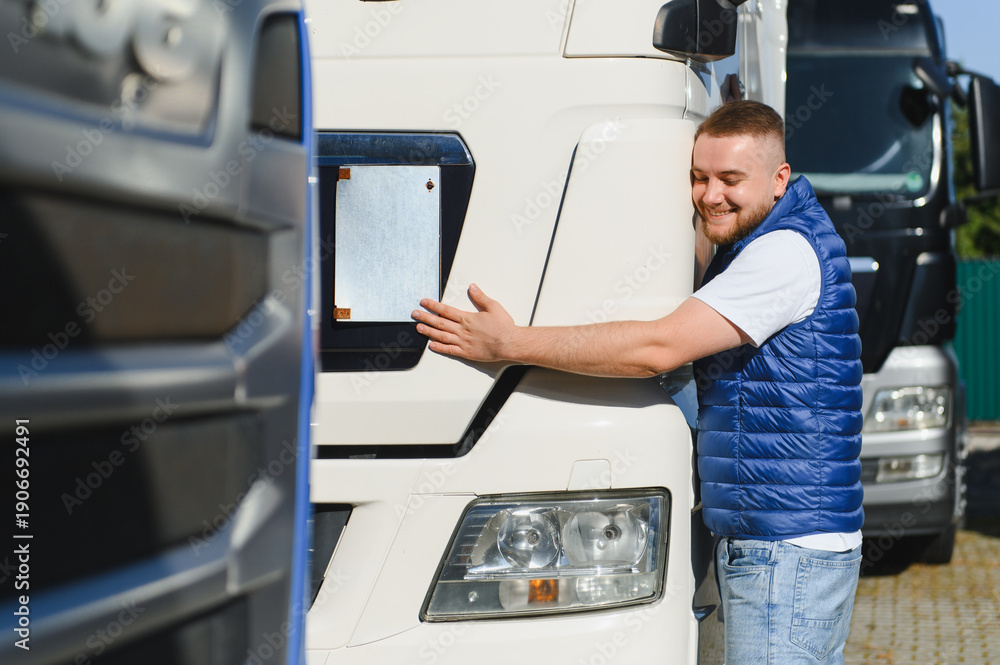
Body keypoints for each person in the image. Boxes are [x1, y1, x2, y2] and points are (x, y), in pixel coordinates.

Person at [412, 100, 863, 665]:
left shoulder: (782, 254)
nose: (710, 195)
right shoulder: (767, 241)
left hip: (785, 549)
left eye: (730, 179)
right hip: (784, 541)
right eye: (698, 178)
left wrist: (510, 345)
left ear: (779, 179)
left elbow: (658, 349)